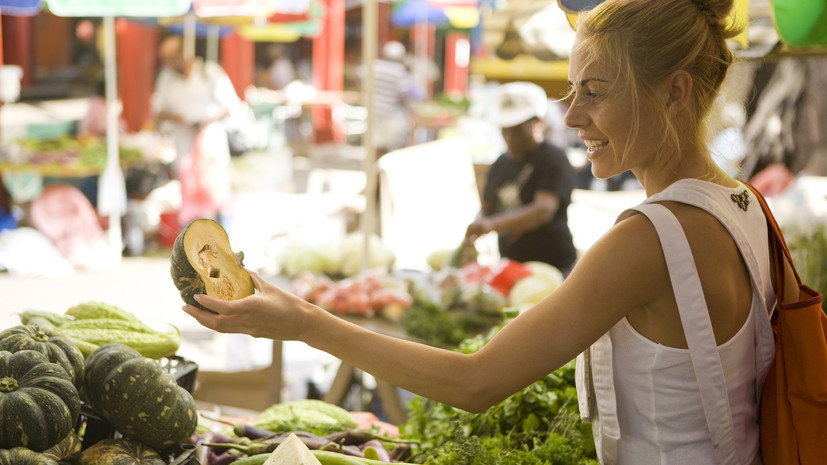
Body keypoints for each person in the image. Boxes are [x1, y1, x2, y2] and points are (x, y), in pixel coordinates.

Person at [183, 1, 788, 463]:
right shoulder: (741, 203)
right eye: (571, 92)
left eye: (595, 94)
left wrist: (303, 322)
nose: (572, 116)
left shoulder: (649, 238)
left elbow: (476, 383)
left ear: (675, 92)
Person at [465, 81, 577, 275]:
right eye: (504, 130)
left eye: (517, 130)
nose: (510, 137)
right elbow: (487, 207)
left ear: (538, 124)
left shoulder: (552, 159)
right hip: (511, 265)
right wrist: (476, 228)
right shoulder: (500, 164)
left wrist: (491, 225)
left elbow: (543, 210)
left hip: (552, 267)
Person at [151, 35, 236, 231]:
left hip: (212, 147)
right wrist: (176, 117)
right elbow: (158, 110)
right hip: (185, 150)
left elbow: (229, 103)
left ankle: (226, 247)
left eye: (173, 57)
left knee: (220, 199)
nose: (171, 63)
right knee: (188, 203)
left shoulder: (210, 72)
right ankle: (188, 253)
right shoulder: (166, 79)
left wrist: (206, 119)